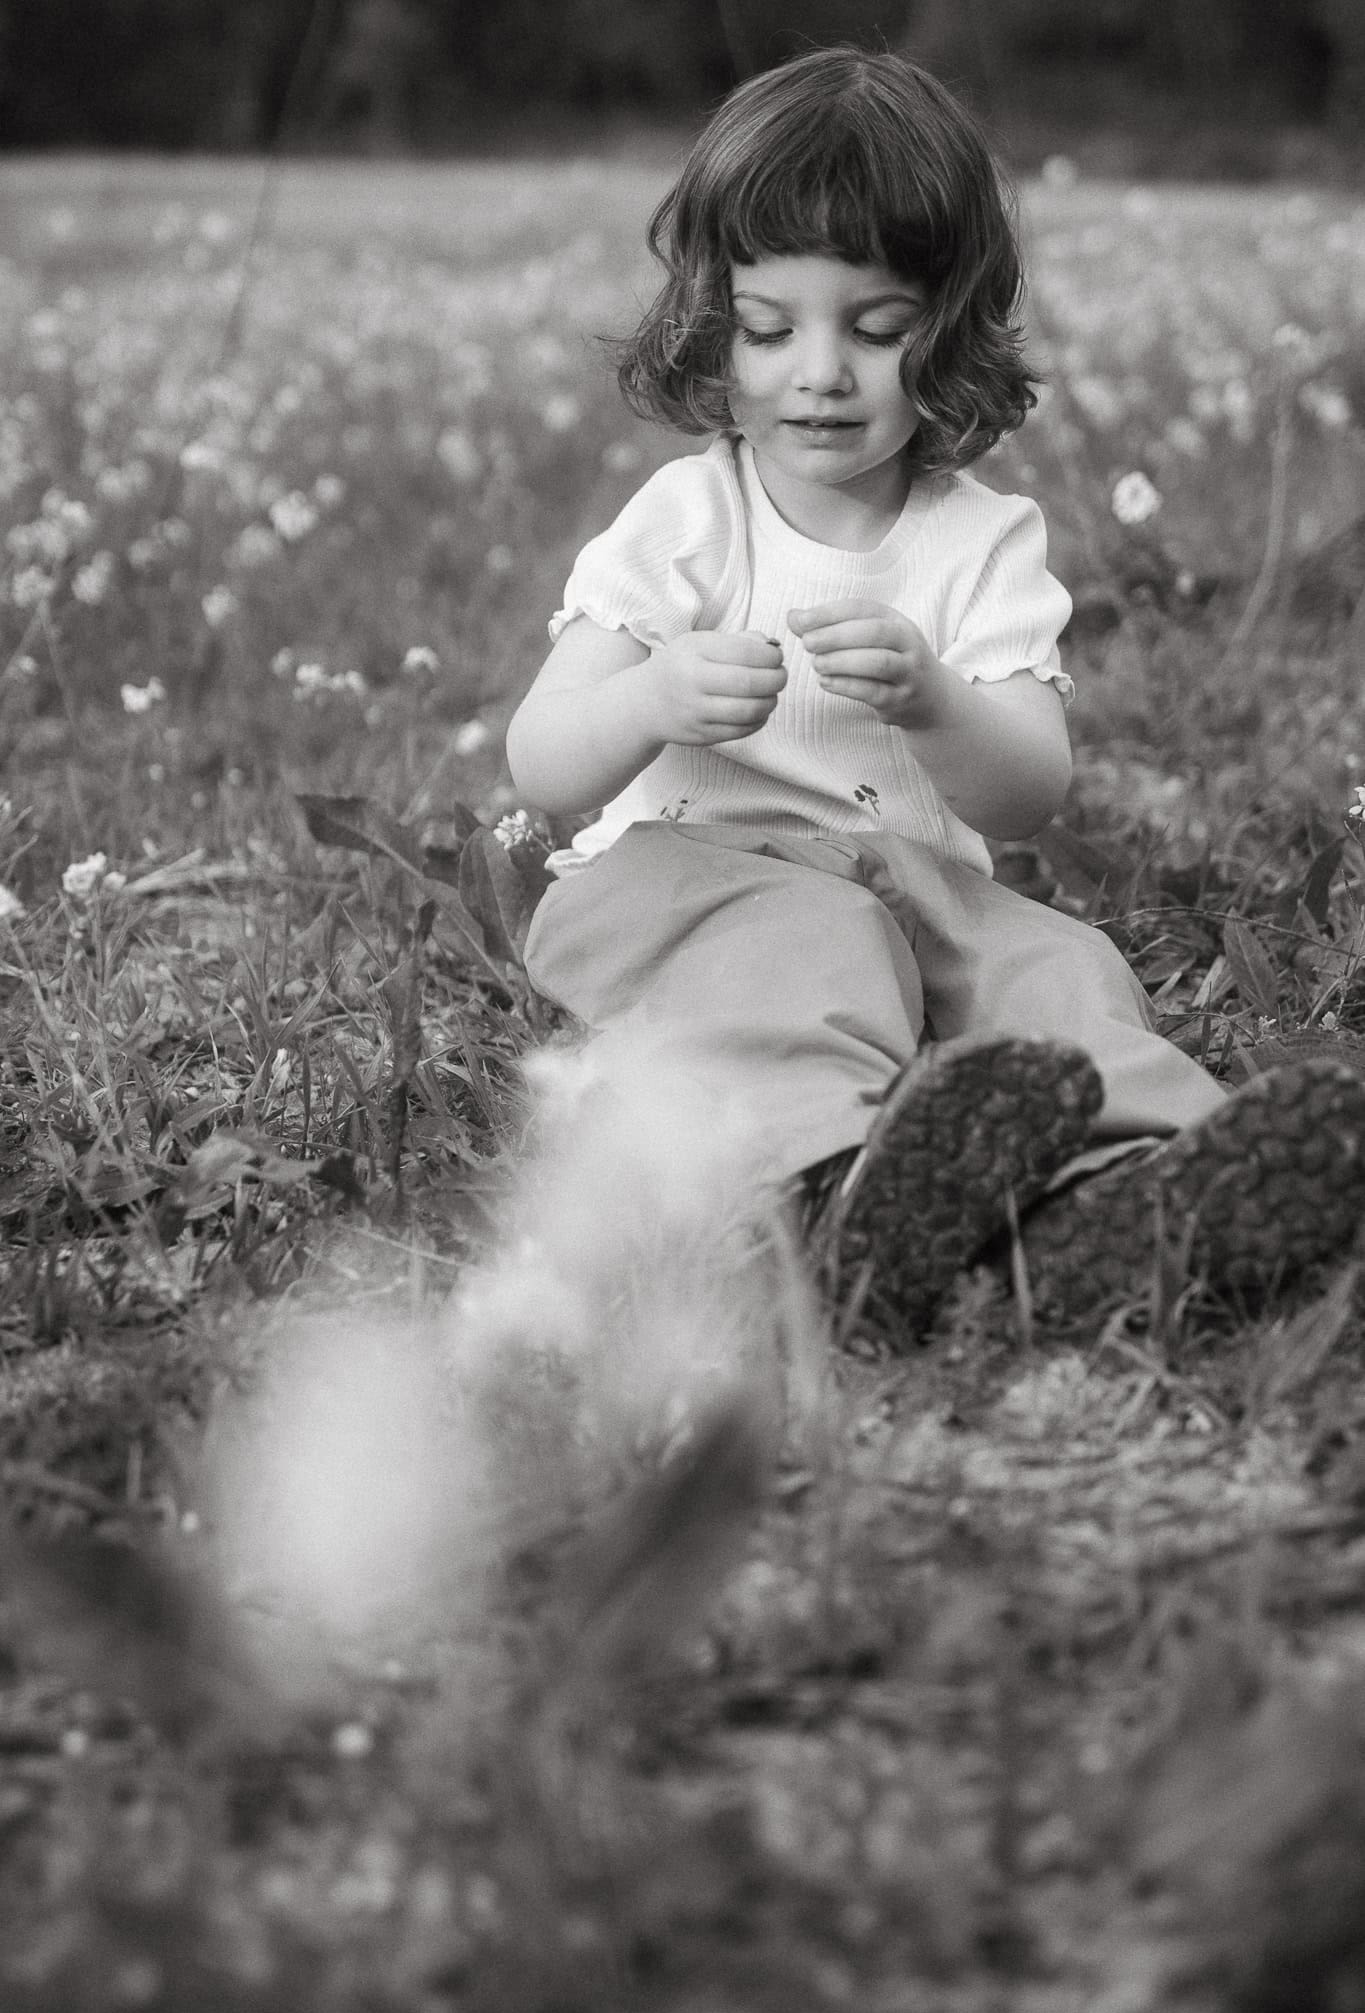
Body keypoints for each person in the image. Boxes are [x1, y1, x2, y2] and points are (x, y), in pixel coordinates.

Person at [505, 46, 1365, 1336]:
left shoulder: (981, 540)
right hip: (684, 878)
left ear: (949, 331)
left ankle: (1133, 1194)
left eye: (877, 329)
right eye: (768, 327)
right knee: (801, 953)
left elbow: (1029, 795)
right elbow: (544, 763)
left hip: (916, 886)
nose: (820, 371)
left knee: (1057, 966)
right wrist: (652, 701)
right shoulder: (686, 520)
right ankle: (824, 1197)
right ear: (710, 325)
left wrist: (938, 704)